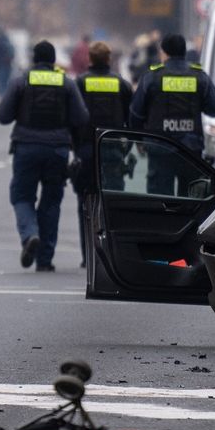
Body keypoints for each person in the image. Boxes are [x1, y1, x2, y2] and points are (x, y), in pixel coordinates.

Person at [0, 40, 87, 272]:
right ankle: (44, 260)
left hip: (26, 148)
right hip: (57, 150)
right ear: (54, 60)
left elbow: (3, 116)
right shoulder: (66, 83)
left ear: (34, 59)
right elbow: (81, 118)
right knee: (51, 202)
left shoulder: (21, 81)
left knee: (22, 196)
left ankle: (29, 235)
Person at [72, 40, 129, 267]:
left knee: (85, 202)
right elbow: (130, 117)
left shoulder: (80, 83)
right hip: (113, 150)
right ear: (108, 59)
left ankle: (88, 255)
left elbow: (73, 117)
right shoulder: (121, 84)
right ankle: (111, 253)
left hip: (86, 148)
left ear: (90, 59)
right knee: (112, 203)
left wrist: (74, 145)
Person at [127, 32, 215, 156]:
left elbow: (136, 113)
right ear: (184, 52)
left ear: (164, 53)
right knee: (192, 177)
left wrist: (139, 141)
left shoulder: (151, 77)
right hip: (190, 149)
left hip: (159, 146)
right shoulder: (200, 77)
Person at [0, 31, 15, 98]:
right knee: (6, 79)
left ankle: (1, 94)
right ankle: (5, 94)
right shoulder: (9, 43)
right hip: (8, 64)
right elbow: (13, 55)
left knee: (0, 80)